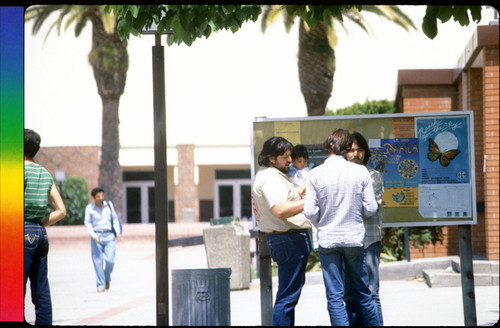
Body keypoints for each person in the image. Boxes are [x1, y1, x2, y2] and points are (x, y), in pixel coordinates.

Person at [303, 128, 380, 326]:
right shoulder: (361, 171)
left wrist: (323, 220)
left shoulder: (314, 174)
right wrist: (353, 211)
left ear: (327, 146)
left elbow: (309, 212)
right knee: (363, 293)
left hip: (328, 239)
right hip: (354, 238)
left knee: (335, 297)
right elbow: (371, 208)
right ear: (346, 148)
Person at [252, 136, 312, 326]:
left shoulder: (267, 175)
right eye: (285, 157)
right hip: (289, 240)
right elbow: (279, 209)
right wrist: (309, 202)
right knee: (287, 298)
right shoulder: (271, 177)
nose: (290, 160)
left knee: (287, 296)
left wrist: (299, 194)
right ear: (271, 158)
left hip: (285, 239)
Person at [24, 128, 67, 325]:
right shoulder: (44, 173)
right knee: (41, 289)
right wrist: (39, 224)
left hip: (19, 232)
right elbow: (61, 210)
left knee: (13, 289)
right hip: (40, 233)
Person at [345, 132, 385, 325]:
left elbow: (370, 209)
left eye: (360, 150)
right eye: (351, 150)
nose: (356, 154)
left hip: (369, 240)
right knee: (350, 296)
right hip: (346, 242)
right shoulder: (342, 177)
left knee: (371, 293)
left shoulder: (374, 176)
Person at [84, 187, 122, 292]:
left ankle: (107, 278)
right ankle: (100, 285)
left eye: (102, 196)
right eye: (98, 196)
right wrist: (93, 235)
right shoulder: (89, 208)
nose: (101, 198)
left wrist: (118, 232)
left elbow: (115, 219)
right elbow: (87, 224)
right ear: (94, 198)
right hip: (97, 236)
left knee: (110, 260)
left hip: (109, 235)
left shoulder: (109, 205)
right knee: (97, 262)